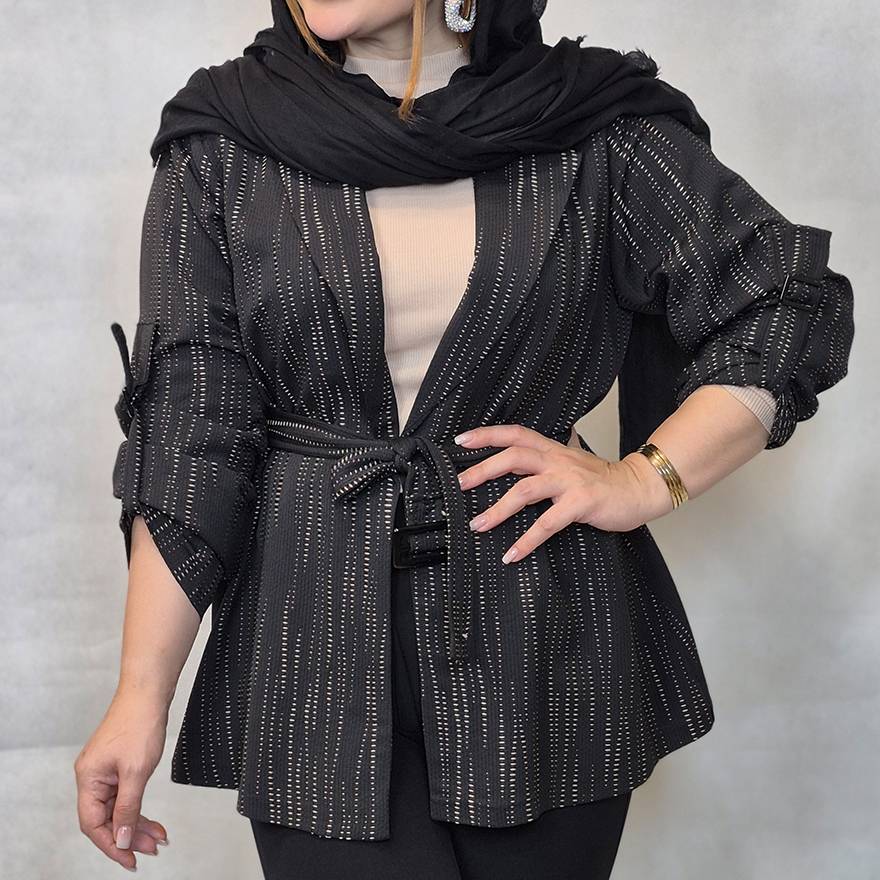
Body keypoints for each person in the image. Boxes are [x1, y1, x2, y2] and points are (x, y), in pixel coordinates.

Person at [74, 1, 855, 877]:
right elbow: (190, 438)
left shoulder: (596, 126)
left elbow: (787, 301)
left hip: (545, 635)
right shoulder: (222, 143)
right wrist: (139, 695)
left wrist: (645, 478)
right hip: (309, 642)